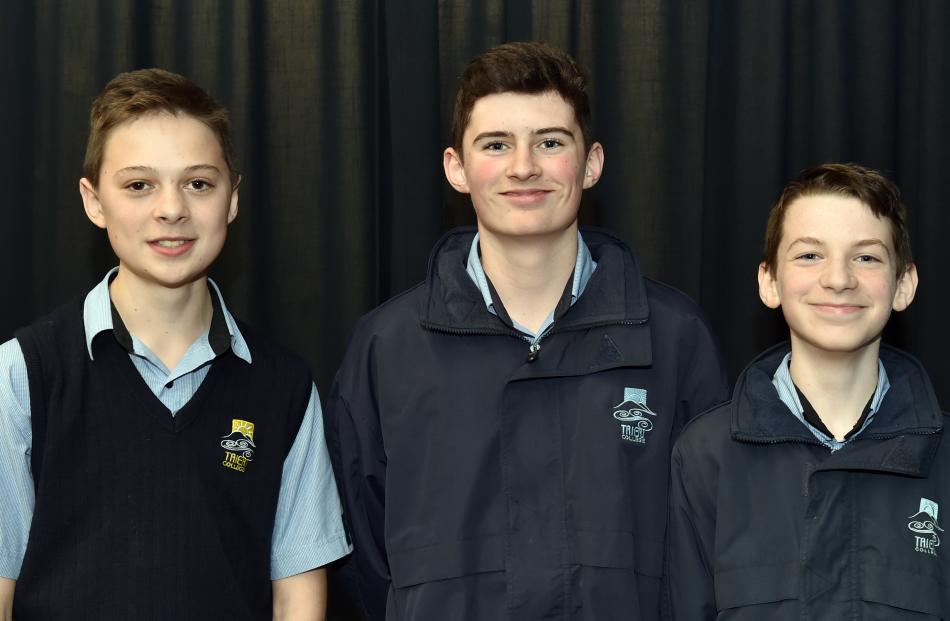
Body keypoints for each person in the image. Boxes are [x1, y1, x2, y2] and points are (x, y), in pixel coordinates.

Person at [325, 41, 728, 620]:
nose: (524, 167)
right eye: (495, 145)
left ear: (590, 163)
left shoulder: (673, 337)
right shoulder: (387, 347)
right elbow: (359, 555)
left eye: (550, 142)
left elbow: (712, 544)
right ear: (456, 169)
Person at [0, 68, 350, 620]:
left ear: (232, 199)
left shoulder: (282, 387)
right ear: (94, 202)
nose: (172, 209)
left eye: (199, 183)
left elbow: (297, 598)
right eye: (139, 184)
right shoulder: (24, 373)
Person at [666, 163, 949, 619]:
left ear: (903, 285)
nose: (838, 279)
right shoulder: (705, 456)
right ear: (769, 281)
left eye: (867, 257)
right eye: (810, 255)